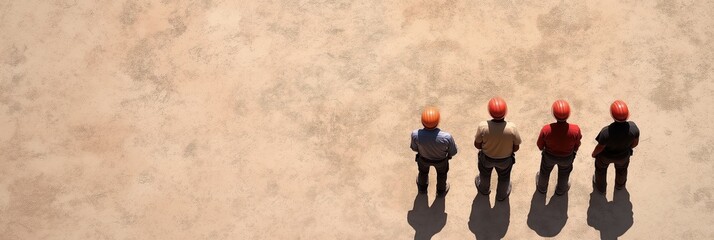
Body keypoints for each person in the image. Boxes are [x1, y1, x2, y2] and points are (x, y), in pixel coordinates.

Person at [474, 97, 522, 201]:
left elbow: (477, 145)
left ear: (490, 112)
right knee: (504, 178)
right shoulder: (511, 128)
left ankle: (483, 189)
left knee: (485, 174)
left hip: (486, 158)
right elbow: (516, 147)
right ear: (505, 112)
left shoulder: (483, 126)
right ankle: (501, 195)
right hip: (505, 160)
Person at [591, 100, 640, 194]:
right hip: (623, 156)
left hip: (605, 157)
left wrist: (594, 154)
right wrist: (628, 149)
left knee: (601, 170)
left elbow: (600, 147)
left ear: (612, 116)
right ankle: (619, 186)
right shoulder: (634, 128)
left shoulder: (606, 132)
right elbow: (635, 143)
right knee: (622, 170)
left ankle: (601, 188)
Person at [536, 100, 582, 196]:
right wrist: (574, 151)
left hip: (549, 156)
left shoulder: (546, 129)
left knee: (544, 171)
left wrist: (543, 149)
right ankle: (561, 190)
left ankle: (542, 188)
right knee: (564, 173)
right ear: (568, 114)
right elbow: (577, 143)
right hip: (567, 157)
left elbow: (540, 144)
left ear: (554, 114)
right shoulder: (575, 129)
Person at [410, 106, 458, 197]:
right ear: (437, 122)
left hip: (423, 159)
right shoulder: (446, 137)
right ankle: (440, 191)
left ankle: (422, 189)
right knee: (441, 174)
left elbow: (414, 148)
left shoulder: (415, 134)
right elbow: (453, 151)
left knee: (423, 172)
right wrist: (449, 156)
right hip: (441, 161)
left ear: (422, 121)